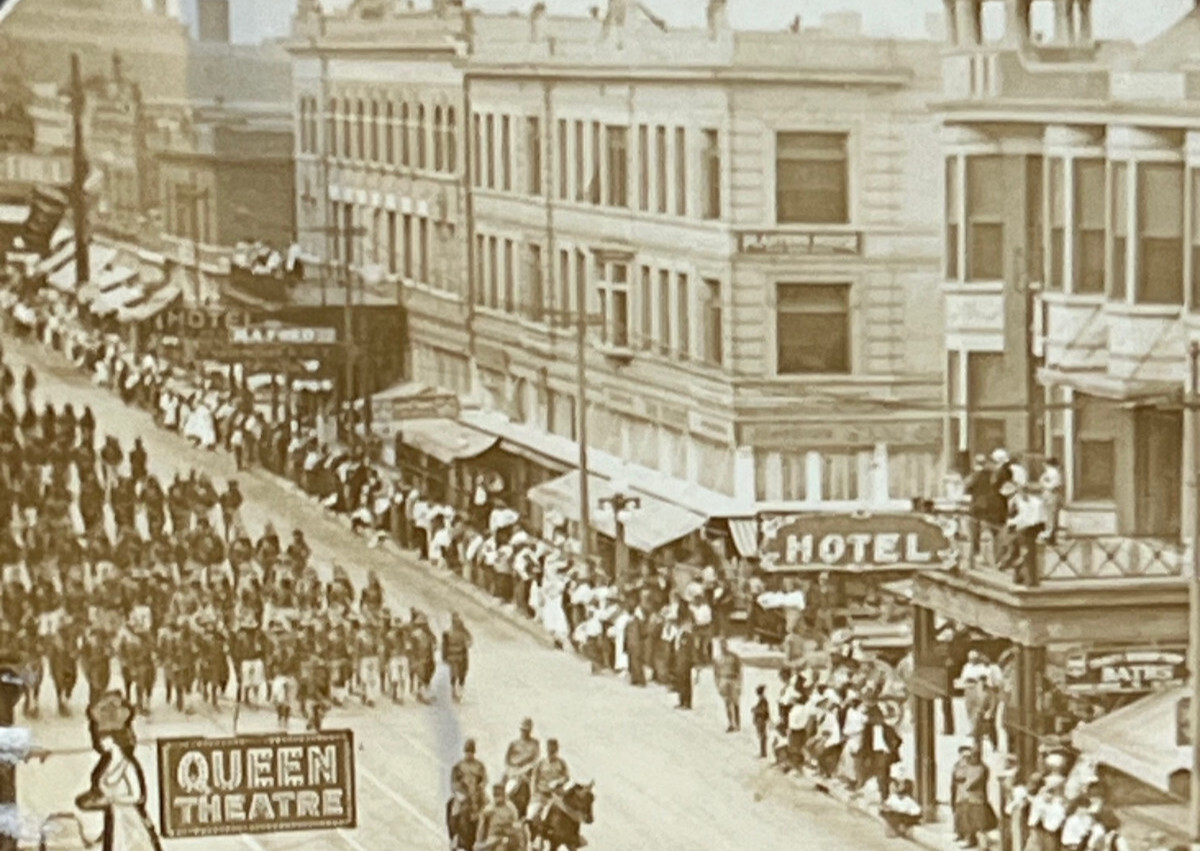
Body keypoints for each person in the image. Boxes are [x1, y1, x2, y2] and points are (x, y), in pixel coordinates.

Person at [529, 738, 570, 825]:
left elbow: (566, 777)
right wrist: (534, 794)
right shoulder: (541, 763)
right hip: (542, 795)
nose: (551, 753)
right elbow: (534, 780)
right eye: (550, 750)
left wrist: (558, 781)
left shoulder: (561, 763)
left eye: (554, 750)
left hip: (556, 796)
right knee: (531, 815)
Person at [504, 718, 542, 811]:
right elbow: (507, 760)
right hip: (515, 771)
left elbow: (536, 759)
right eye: (523, 730)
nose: (524, 732)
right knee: (507, 789)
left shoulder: (535, 743)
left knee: (534, 789)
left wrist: (527, 769)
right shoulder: (513, 743)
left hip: (529, 772)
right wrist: (513, 771)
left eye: (527, 730)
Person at [448, 739, 488, 825]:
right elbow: (454, 782)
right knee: (455, 809)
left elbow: (484, 779)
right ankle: (455, 832)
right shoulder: (458, 766)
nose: (469, 754)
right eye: (467, 752)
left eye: (471, 752)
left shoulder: (479, 766)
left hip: (477, 792)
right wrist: (460, 790)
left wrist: (480, 786)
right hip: (464, 793)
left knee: (488, 806)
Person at [478, 783, 523, 851]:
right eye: (496, 795)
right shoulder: (489, 809)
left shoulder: (511, 808)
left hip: (508, 834)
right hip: (494, 835)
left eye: (500, 794)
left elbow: (515, 823)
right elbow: (482, 827)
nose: (498, 798)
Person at [712, 637, 743, 732]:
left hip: (733, 679)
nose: (723, 647)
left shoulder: (734, 657)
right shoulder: (717, 659)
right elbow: (716, 673)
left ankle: (737, 723)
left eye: (724, 644)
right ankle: (730, 723)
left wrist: (739, 683)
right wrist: (718, 684)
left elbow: (739, 670)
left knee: (735, 702)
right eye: (721, 645)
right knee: (727, 703)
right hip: (723, 679)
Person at [441, 613, 473, 702]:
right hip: (456, 656)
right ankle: (455, 691)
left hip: (460, 656)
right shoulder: (449, 632)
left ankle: (457, 691)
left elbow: (469, 641)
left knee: (460, 674)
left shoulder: (462, 631)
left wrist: (444, 656)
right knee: (457, 674)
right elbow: (445, 646)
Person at [751, 684, 771, 759]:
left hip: (761, 720)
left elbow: (762, 710)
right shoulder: (762, 700)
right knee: (762, 736)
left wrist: (755, 710)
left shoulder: (763, 701)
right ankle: (763, 752)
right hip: (761, 720)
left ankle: (763, 753)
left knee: (762, 736)